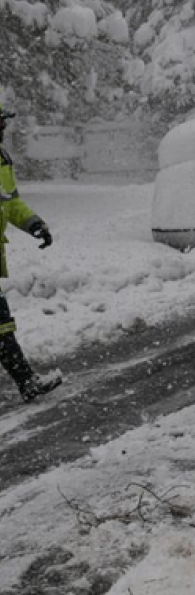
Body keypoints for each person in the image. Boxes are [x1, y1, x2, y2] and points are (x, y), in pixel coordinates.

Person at [0, 102, 63, 402]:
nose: (4, 129)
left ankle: (27, 382)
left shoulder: (1, 158)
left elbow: (9, 203)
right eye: (0, 124)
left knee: (1, 325)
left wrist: (33, 223)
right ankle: (26, 381)